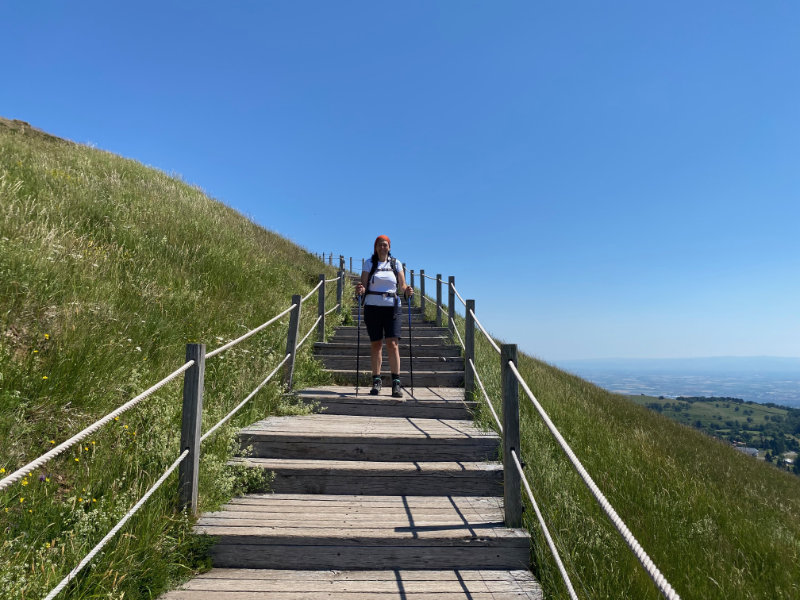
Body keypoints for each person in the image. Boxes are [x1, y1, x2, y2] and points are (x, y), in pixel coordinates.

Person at [355, 235, 413, 397]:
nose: (382, 247)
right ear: (375, 247)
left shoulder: (396, 264)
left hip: (392, 308)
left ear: (389, 247)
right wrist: (360, 290)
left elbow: (402, 285)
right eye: (380, 245)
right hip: (372, 308)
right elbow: (364, 285)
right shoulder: (369, 263)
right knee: (376, 344)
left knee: (393, 344)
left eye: (385, 245)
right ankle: (376, 381)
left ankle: (396, 382)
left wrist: (407, 291)